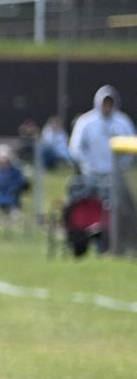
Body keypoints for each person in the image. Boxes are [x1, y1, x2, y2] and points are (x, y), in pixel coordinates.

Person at [69, 85, 136, 253]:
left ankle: (118, 243)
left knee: (120, 209)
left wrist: (121, 167)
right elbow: (76, 148)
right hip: (91, 176)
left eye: (110, 103)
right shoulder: (86, 122)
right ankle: (83, 241)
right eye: (105, 103)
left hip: (116, 177)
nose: (107, 106)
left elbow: (131, 147)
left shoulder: (123, 122)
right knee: (89, 207)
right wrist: (87, 166)